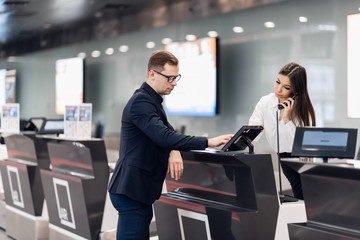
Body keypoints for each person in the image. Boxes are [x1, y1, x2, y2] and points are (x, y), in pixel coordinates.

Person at [108, 50, 233, 240]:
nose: (174, 83)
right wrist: (208, 141)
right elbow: (164, 136)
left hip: (137, 191)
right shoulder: (141, 101)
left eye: (176, 78)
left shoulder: (151, 101)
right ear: (152, 74)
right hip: (131, 190)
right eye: (170, 78)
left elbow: (166, 132)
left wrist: (173, 148)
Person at [248, 62, 316, 199]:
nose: (278, 89)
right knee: (299, 196)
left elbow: (297, 143)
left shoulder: (303, 110)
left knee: (305, 196)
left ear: (295, 91)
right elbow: (253, 132)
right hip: (283, 157)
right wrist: (239, 140)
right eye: (277, 82)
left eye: (286, 87)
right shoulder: (266, 102)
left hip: (300, 159)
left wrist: (287, 118)